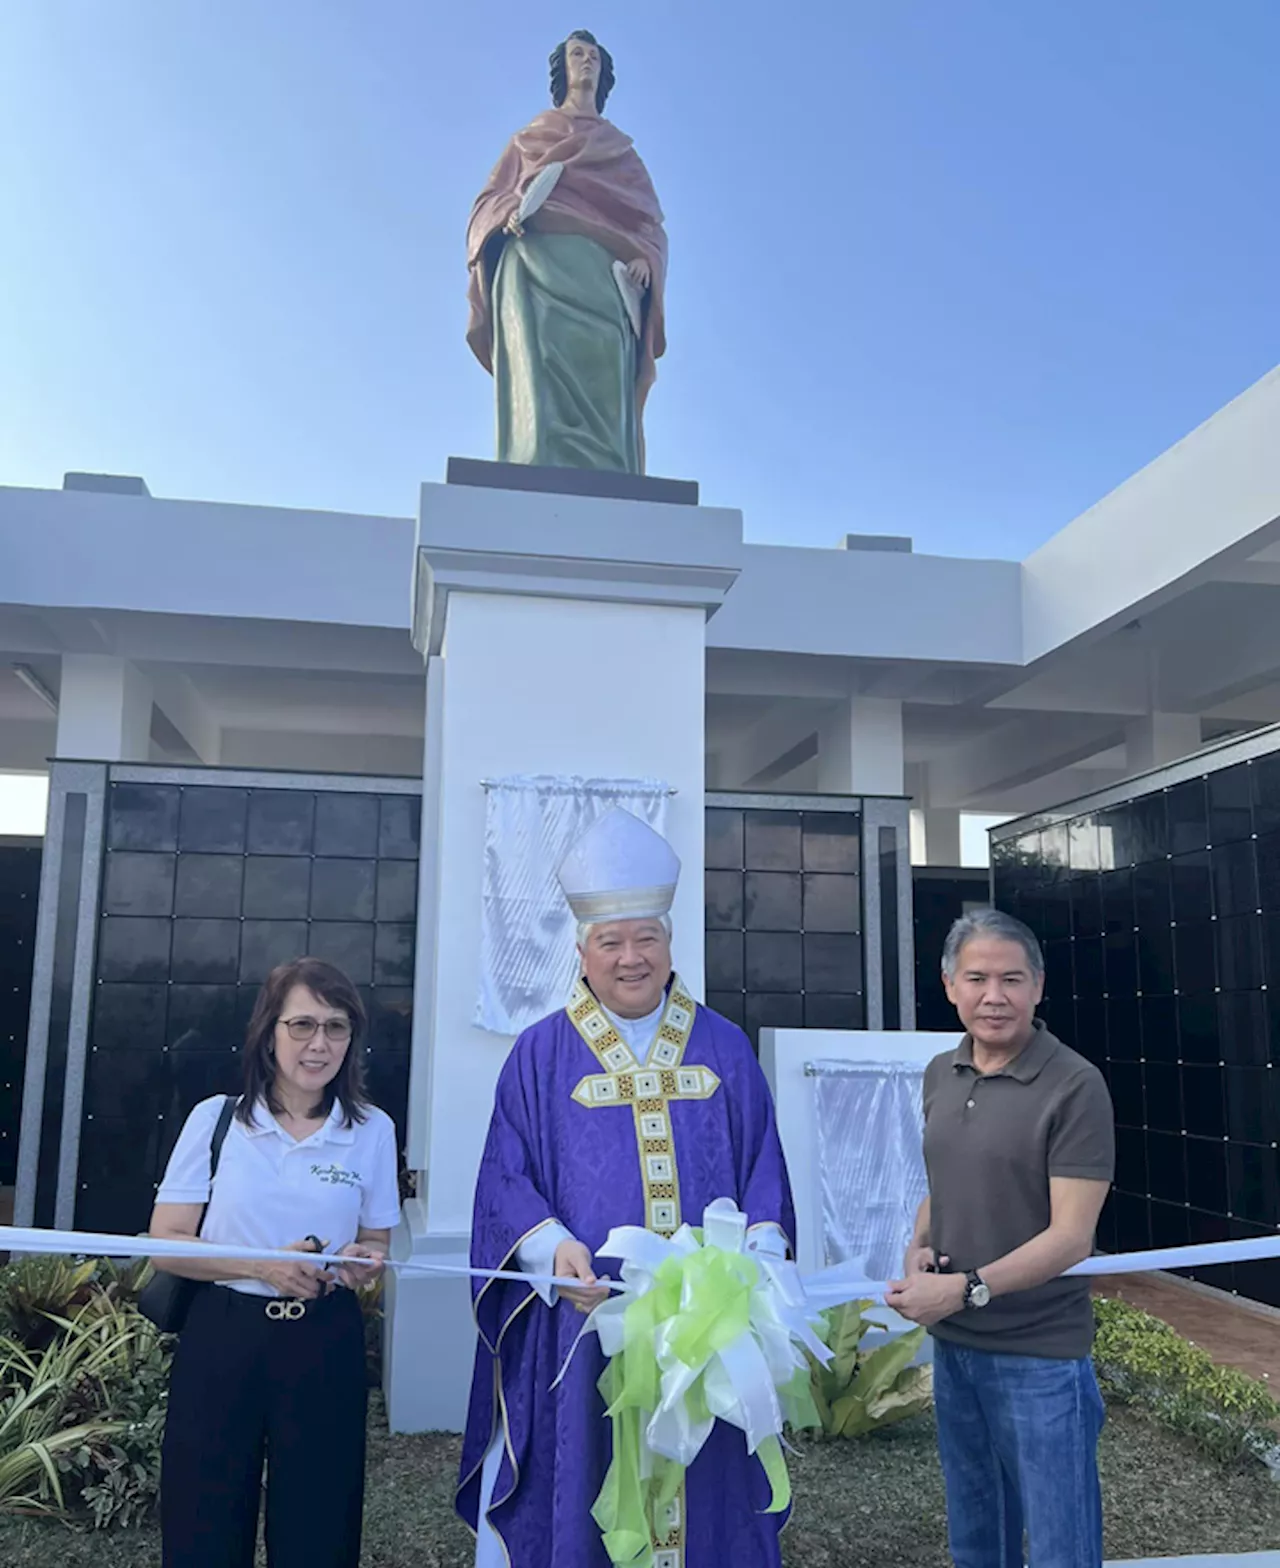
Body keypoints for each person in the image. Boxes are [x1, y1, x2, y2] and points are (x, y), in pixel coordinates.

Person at [457, 807, 794, 1568]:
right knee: (583, 1499)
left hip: (706, 1342)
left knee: (705, 1502)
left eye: (647, 937)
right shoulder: (539, 1057)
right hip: (583, 1332)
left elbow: (764, 1170)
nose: (631, 957)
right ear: (582, 950)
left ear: (671, 942)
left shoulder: (725, 1049)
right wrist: (549, 1249)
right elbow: (504, 1179)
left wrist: (756, 1264)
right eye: (611, 941)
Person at [149, 956, 402, 1568]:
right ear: (268, 1033)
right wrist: (263, 1265)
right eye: (302, 1025)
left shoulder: (371, 1130)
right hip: (223, 1336)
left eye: (336, 1027)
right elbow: (165, 1242)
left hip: (323, 1342)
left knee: (319, 1525)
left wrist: (363, 1263)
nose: (319, 1044)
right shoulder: (216, 1122)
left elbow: (376, 1243)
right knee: (202, 1519)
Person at [886, 908, 1115, 1568]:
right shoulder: (940, 1071)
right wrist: (918, 1245)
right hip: (956, 1351)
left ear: (1038, 987)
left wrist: (964, 1290)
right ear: (949, 984)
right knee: (977, 1538)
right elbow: (943, 1180)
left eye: (1012, 979)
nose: (994, 996)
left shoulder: (1074, 1085)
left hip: (1040, 1355)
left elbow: (1071, 1236)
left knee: (1059, 1546)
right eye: (977, 978)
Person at [466, 29, 667, 473]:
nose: (586, 61)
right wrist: (509, 213)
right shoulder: (529, 140)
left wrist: (644, 259)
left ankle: (608, 470)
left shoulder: (620, 151)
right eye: (577, 54)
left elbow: (650, 228)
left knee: (603, 384)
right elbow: (486, 204)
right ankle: (534, 461)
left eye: (593, 56)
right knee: (539, 378)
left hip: (603, 283)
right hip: (533, 273)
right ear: (563, 68)